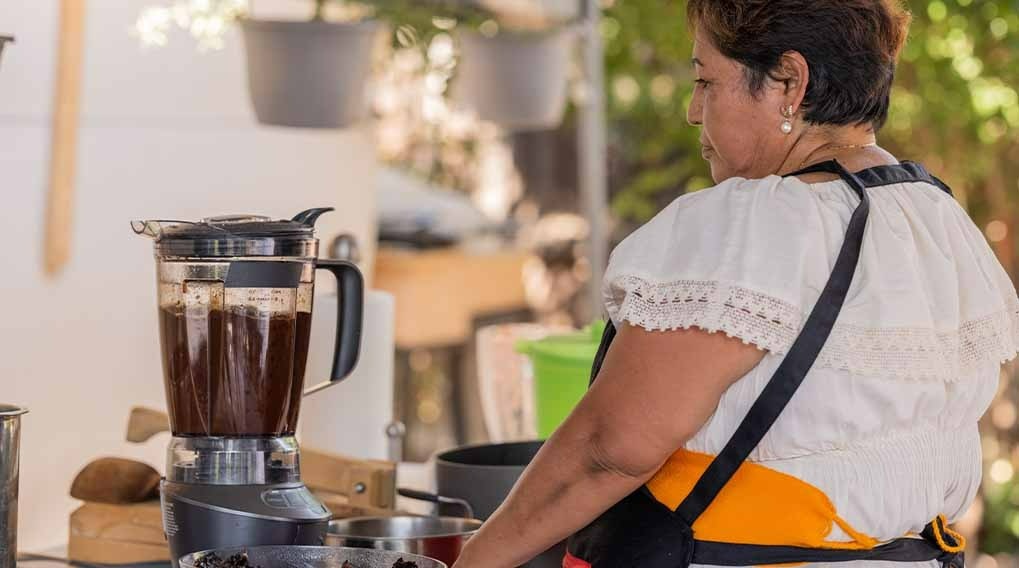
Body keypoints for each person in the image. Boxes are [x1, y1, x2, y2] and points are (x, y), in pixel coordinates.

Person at [452, 1, 1019, 567]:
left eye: (705, 81)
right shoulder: (935, 217)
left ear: (789, 84)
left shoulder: (753, 223)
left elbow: (610, 451)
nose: (693, 111)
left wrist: (473, 561)